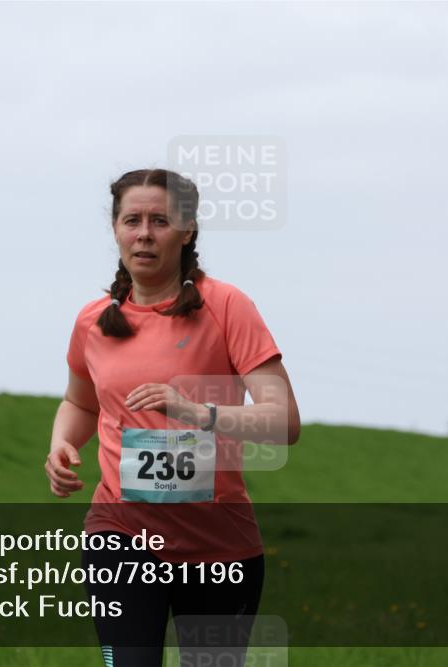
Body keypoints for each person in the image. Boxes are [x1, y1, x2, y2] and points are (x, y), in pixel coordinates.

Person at [46, 168, 301, 667]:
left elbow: (284, 422)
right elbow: (80, 402)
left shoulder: (227, 306)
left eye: (160, 221)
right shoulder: (93, 321)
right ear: (116, 229)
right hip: (119, 534)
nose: (144, 233)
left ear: (187, 231)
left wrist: (197, 413)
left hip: (219, 546)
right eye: (131, 220)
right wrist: (61, 444)